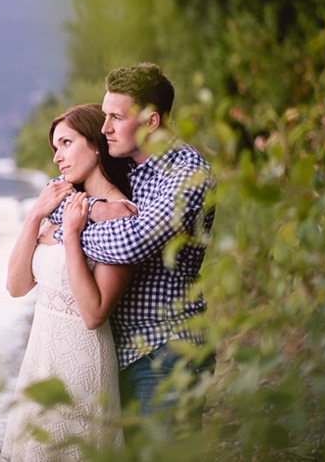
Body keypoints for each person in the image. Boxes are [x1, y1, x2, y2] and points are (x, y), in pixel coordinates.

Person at [47, 62, 216, 438]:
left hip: (168, 353)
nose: (105, 127)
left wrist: (71, 232)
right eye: (104, 116)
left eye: (115, 117)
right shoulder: (119, 160)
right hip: (116, 354)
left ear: (152, 122)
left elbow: (132, 243)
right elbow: (56, 193)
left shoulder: (187, 174)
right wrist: (96, 209)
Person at [2, 104, 137, 461]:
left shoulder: (122, 214)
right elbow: (16, 286)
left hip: (82, 357)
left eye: (65, 143)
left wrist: (71, 236)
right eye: (55, 149)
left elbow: (94, 314)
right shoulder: (62, 205)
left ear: (95, 144)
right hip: (41, 354)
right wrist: (35, 216)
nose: (58, 158)